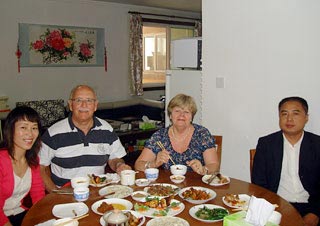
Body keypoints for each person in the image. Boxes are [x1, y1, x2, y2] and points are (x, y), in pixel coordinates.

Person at [39, 85, 131, 193]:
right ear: (70, 105)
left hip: (98, 193)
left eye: (89, 100)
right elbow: (41, 167)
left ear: (95, 105)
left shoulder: (107, 130)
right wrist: (55, 193)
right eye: (78, 100)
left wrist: (119, 165)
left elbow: (114, 158)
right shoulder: (53, 133)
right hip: (65, 195)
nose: (84, 105)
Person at [252, 96, 320, 226]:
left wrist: (315, 213)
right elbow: (259, 183)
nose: (289, 119)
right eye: (284, 114)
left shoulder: (317, 145)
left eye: (295, 113)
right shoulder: (266, 144)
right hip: (278, 205)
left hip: (311, 206)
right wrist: (274, 211)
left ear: (306, 117)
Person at [135, 93, 219, 175]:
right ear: (170, 115)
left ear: (191, 117)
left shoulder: (202, 134)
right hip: (169, 186)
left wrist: (204, 170)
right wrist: (154, 163)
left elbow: (214, 165)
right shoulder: (160, 136)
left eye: (186, 112)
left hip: (197, 186)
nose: (181, 115)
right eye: (177, 111)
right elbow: (138, 164)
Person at [0, 106, 45, 226]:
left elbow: (37, 193)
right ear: (10, 130)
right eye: (23, 127)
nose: (30, 133)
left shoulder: (33, 159)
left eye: (34, 128)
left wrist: (43, 218)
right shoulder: (1, 161)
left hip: (18, 213)